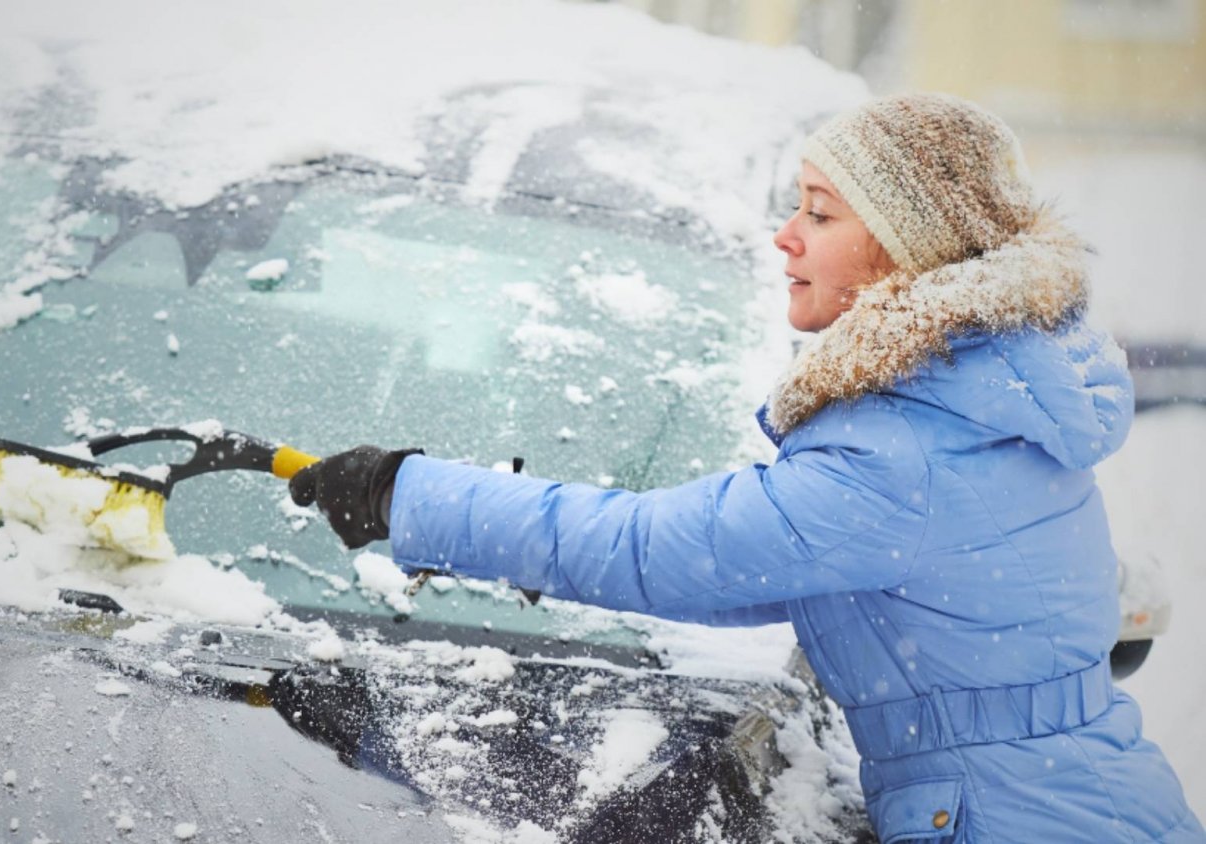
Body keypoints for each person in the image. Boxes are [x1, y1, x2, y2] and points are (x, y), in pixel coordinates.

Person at [289, 93, 1204, 842]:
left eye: (819, 212)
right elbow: (769, 577)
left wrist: (401, 494)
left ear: (900, 247)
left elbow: (659, 553)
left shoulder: (902, 453)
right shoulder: (987, 391)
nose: (785, 237)